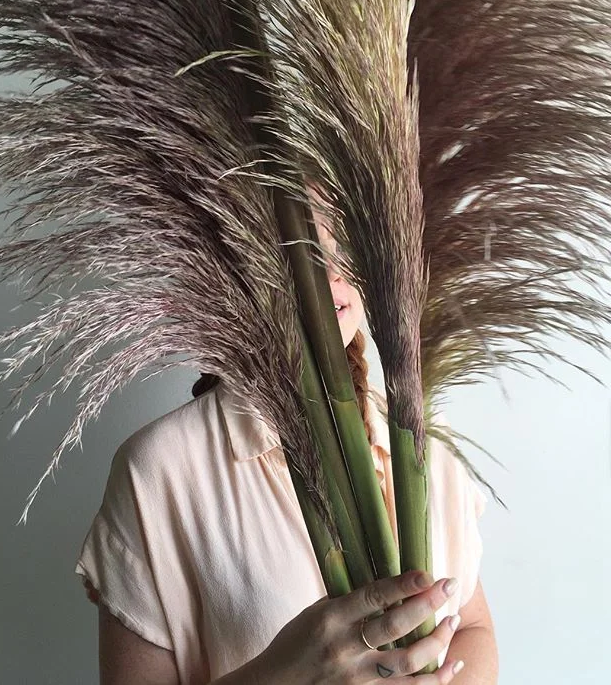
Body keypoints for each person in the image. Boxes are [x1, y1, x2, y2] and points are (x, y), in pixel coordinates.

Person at [74, 203, 499, 684]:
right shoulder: (159, 469)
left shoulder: (422, 436)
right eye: (298, 249)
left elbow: (473, 626)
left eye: (344, 247)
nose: (331, 272)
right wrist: (286, 674)